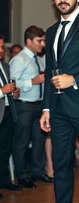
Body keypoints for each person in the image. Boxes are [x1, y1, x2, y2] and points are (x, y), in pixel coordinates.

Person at [40, 0, 79, 203]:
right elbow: (50, 72)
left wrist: (76, 79)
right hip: (58, 110)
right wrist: (46, 109)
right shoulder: (50, 32)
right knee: (61, 165)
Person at [10, 26, 47, 188]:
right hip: (24, 106)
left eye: (44, 40)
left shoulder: (37, 58)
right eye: (40, 41)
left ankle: (38, 172)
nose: (43, 44)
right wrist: (32, 82)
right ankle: (22, 176)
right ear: (29, 41)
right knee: (22, 143)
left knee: (39, 141)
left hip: (38, 106)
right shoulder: (19, 59)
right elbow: (11, 83)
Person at [0, 36, 21, 192]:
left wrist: (14, 93)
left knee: (5, 150)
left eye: (2, 47)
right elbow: (3, 89)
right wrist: (2, 91)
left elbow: (10, 89)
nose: (2, 51)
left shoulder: (5, 66)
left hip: (7, 112)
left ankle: (4, 181)